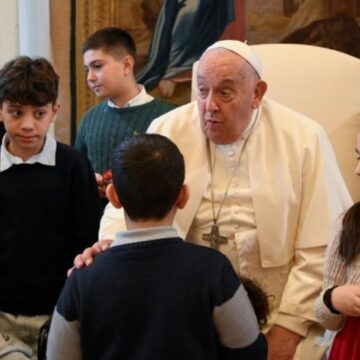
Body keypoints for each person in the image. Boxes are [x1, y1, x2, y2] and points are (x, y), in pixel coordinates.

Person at [75, 40, 352, 360]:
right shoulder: (167, 129)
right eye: (202, 90)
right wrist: (110, 249)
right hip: (182, 310)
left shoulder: (304, 138)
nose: (208, 105)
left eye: (225, 92)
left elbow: (324, 245)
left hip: (281, 312)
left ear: (257, 93)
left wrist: (288, 327)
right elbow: (128, 204)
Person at [47, 134, 267, 359]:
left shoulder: (82, 279)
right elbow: (251, 352)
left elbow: (57, 356)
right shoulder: (213, 270)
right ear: (183, 196)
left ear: (114, 197)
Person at [0, 56, 101, 360]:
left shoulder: (74, 166)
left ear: (55, 111)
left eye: (39, 113)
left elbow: (86, 241)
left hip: (60, 313)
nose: (28, 124)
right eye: (16, 113)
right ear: (1, 109)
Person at [74, 27, 176, 200]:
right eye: (87, 70)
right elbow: (76, 173)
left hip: (147, 221)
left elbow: (176, 178)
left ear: (126, 65)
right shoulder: (90, 119)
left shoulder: (168, 116)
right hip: (97, 222)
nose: (90, 77)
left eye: (97, 66)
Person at [314, 132, 360, 359]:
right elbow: (326, 318)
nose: (357, 170)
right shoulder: (349, 223)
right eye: (358, 157)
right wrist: (332, 299)